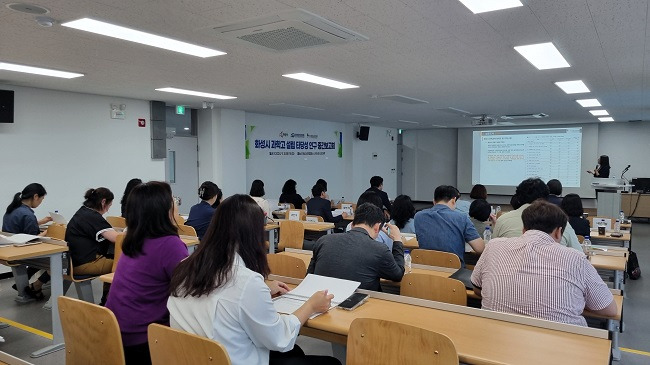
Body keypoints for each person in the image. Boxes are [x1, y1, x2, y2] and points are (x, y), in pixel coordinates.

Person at [167, 195, 340, 365]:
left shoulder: (185, 267)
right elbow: (279, 338)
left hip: (192, 358)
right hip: (231, 358)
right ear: (253, 234)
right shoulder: (245, 282)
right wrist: (311, 306)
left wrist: (262, 290)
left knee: (295, 352)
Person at [471, 201, 616, 326]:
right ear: (559, 232)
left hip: (496, 341)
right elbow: (609, 309)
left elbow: (477, 288)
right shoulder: (576, 258)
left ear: (524, 229)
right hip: (559, 350)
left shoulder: (494, 246)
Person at [106, 181, 188, 365]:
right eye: (173, 199)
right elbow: (190, 291)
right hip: (144, 340)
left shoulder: (133, 239)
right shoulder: (170, 245)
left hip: (114, 331)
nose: (176, 203)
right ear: (163, 209)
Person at [308, 203, 404, 291]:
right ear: (376, 227)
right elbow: (398, 274)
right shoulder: (379, 249)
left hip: (323, 302)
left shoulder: (323, 240)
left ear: (353, 224)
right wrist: (397, 239)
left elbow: (309, 276)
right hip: (358, 304)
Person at [493, 178, 582, 252]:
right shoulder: (560, 221)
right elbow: (580, 255)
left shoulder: (503, 220)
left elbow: (493, 251)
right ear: (545, 199)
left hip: (509, 271)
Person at [65, 187, 120, 304]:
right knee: (122, 265)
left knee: (112, 258)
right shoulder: (92, 216)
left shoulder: (82, 212)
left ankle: (106, 299)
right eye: (109, 206)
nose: (108, 210)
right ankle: (109, 301)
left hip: (74, 261)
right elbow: (117, 238)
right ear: (103, 202)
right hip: (85, 264)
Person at [3, 183, 52, 299]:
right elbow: (34, 239)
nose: (40, 202)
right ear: (35, 197)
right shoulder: (28, 214)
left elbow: (19, 226)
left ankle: (28, 283)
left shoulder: (13, 209)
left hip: (9, 248)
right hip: (22, 252)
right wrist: (50, 231)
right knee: (59, 260)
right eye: (41, 199)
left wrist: (41, 222)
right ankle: (36, 285)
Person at [414, 185, 484, 266]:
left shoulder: (418, 216)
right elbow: (480, 249)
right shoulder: (461, 218)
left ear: (434, 201)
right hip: (454, 271)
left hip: (425, 268)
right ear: (454, 200)